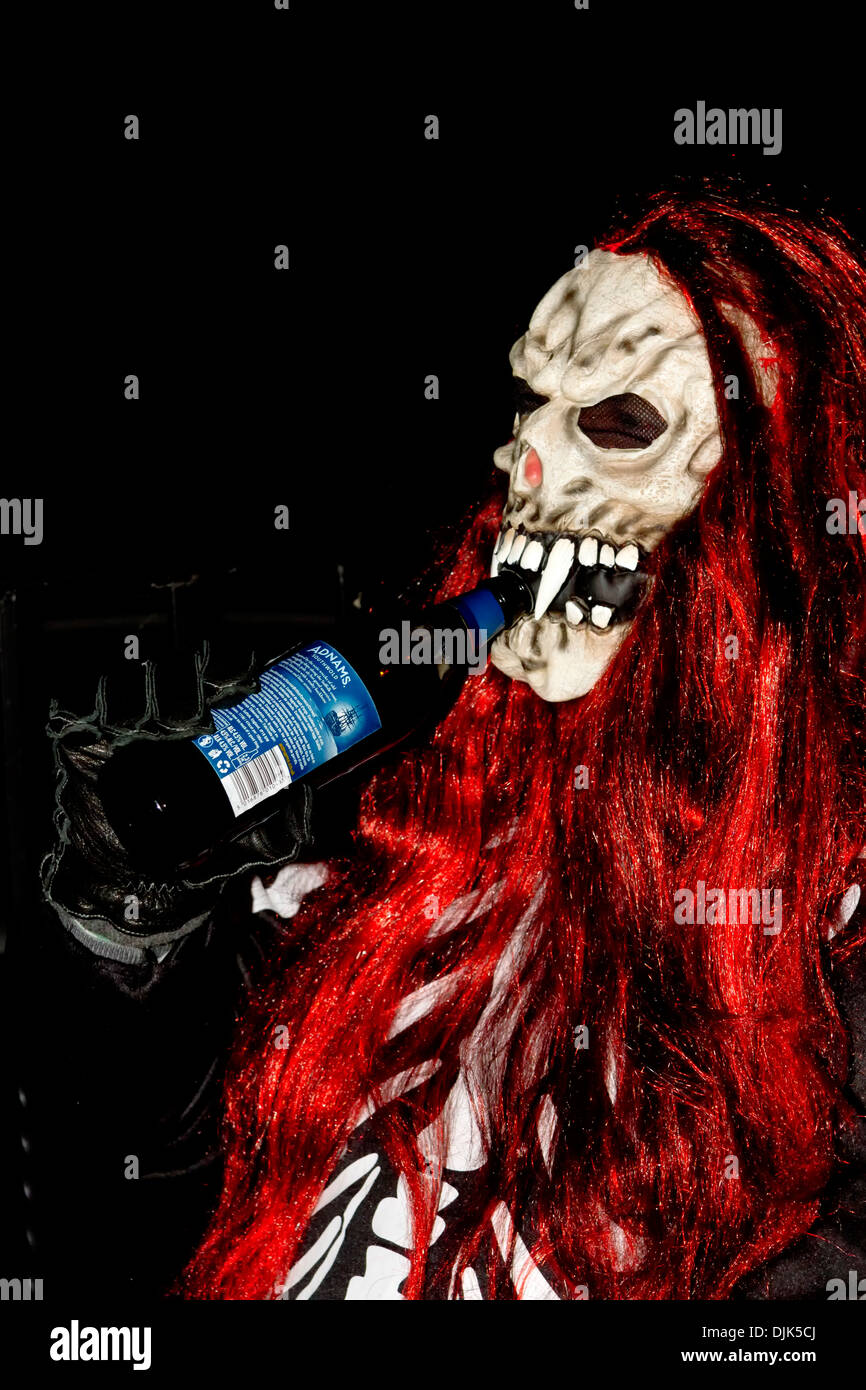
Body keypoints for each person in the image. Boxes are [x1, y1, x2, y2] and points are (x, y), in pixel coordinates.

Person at [39, 183, 865, 1300]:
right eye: (530, 405)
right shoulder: (427, 851)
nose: (524, 456)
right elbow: (152, 1191)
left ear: (778, 517)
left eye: (618, 423)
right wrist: (135, 917)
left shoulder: (824, 937)